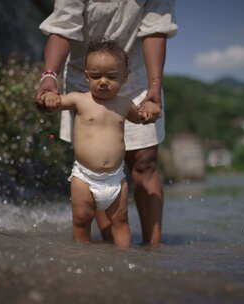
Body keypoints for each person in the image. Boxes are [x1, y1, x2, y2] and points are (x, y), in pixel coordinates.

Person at [36, 0, 177, 246]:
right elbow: (62, 26)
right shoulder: (78, 98)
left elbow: (156, 28)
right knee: (82, 215)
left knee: (145, 161)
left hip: (133, 74)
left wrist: (153, 94)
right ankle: (104, 259)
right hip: (86, 72)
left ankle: (153, 251)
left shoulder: (126, 90)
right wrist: (49, 80)